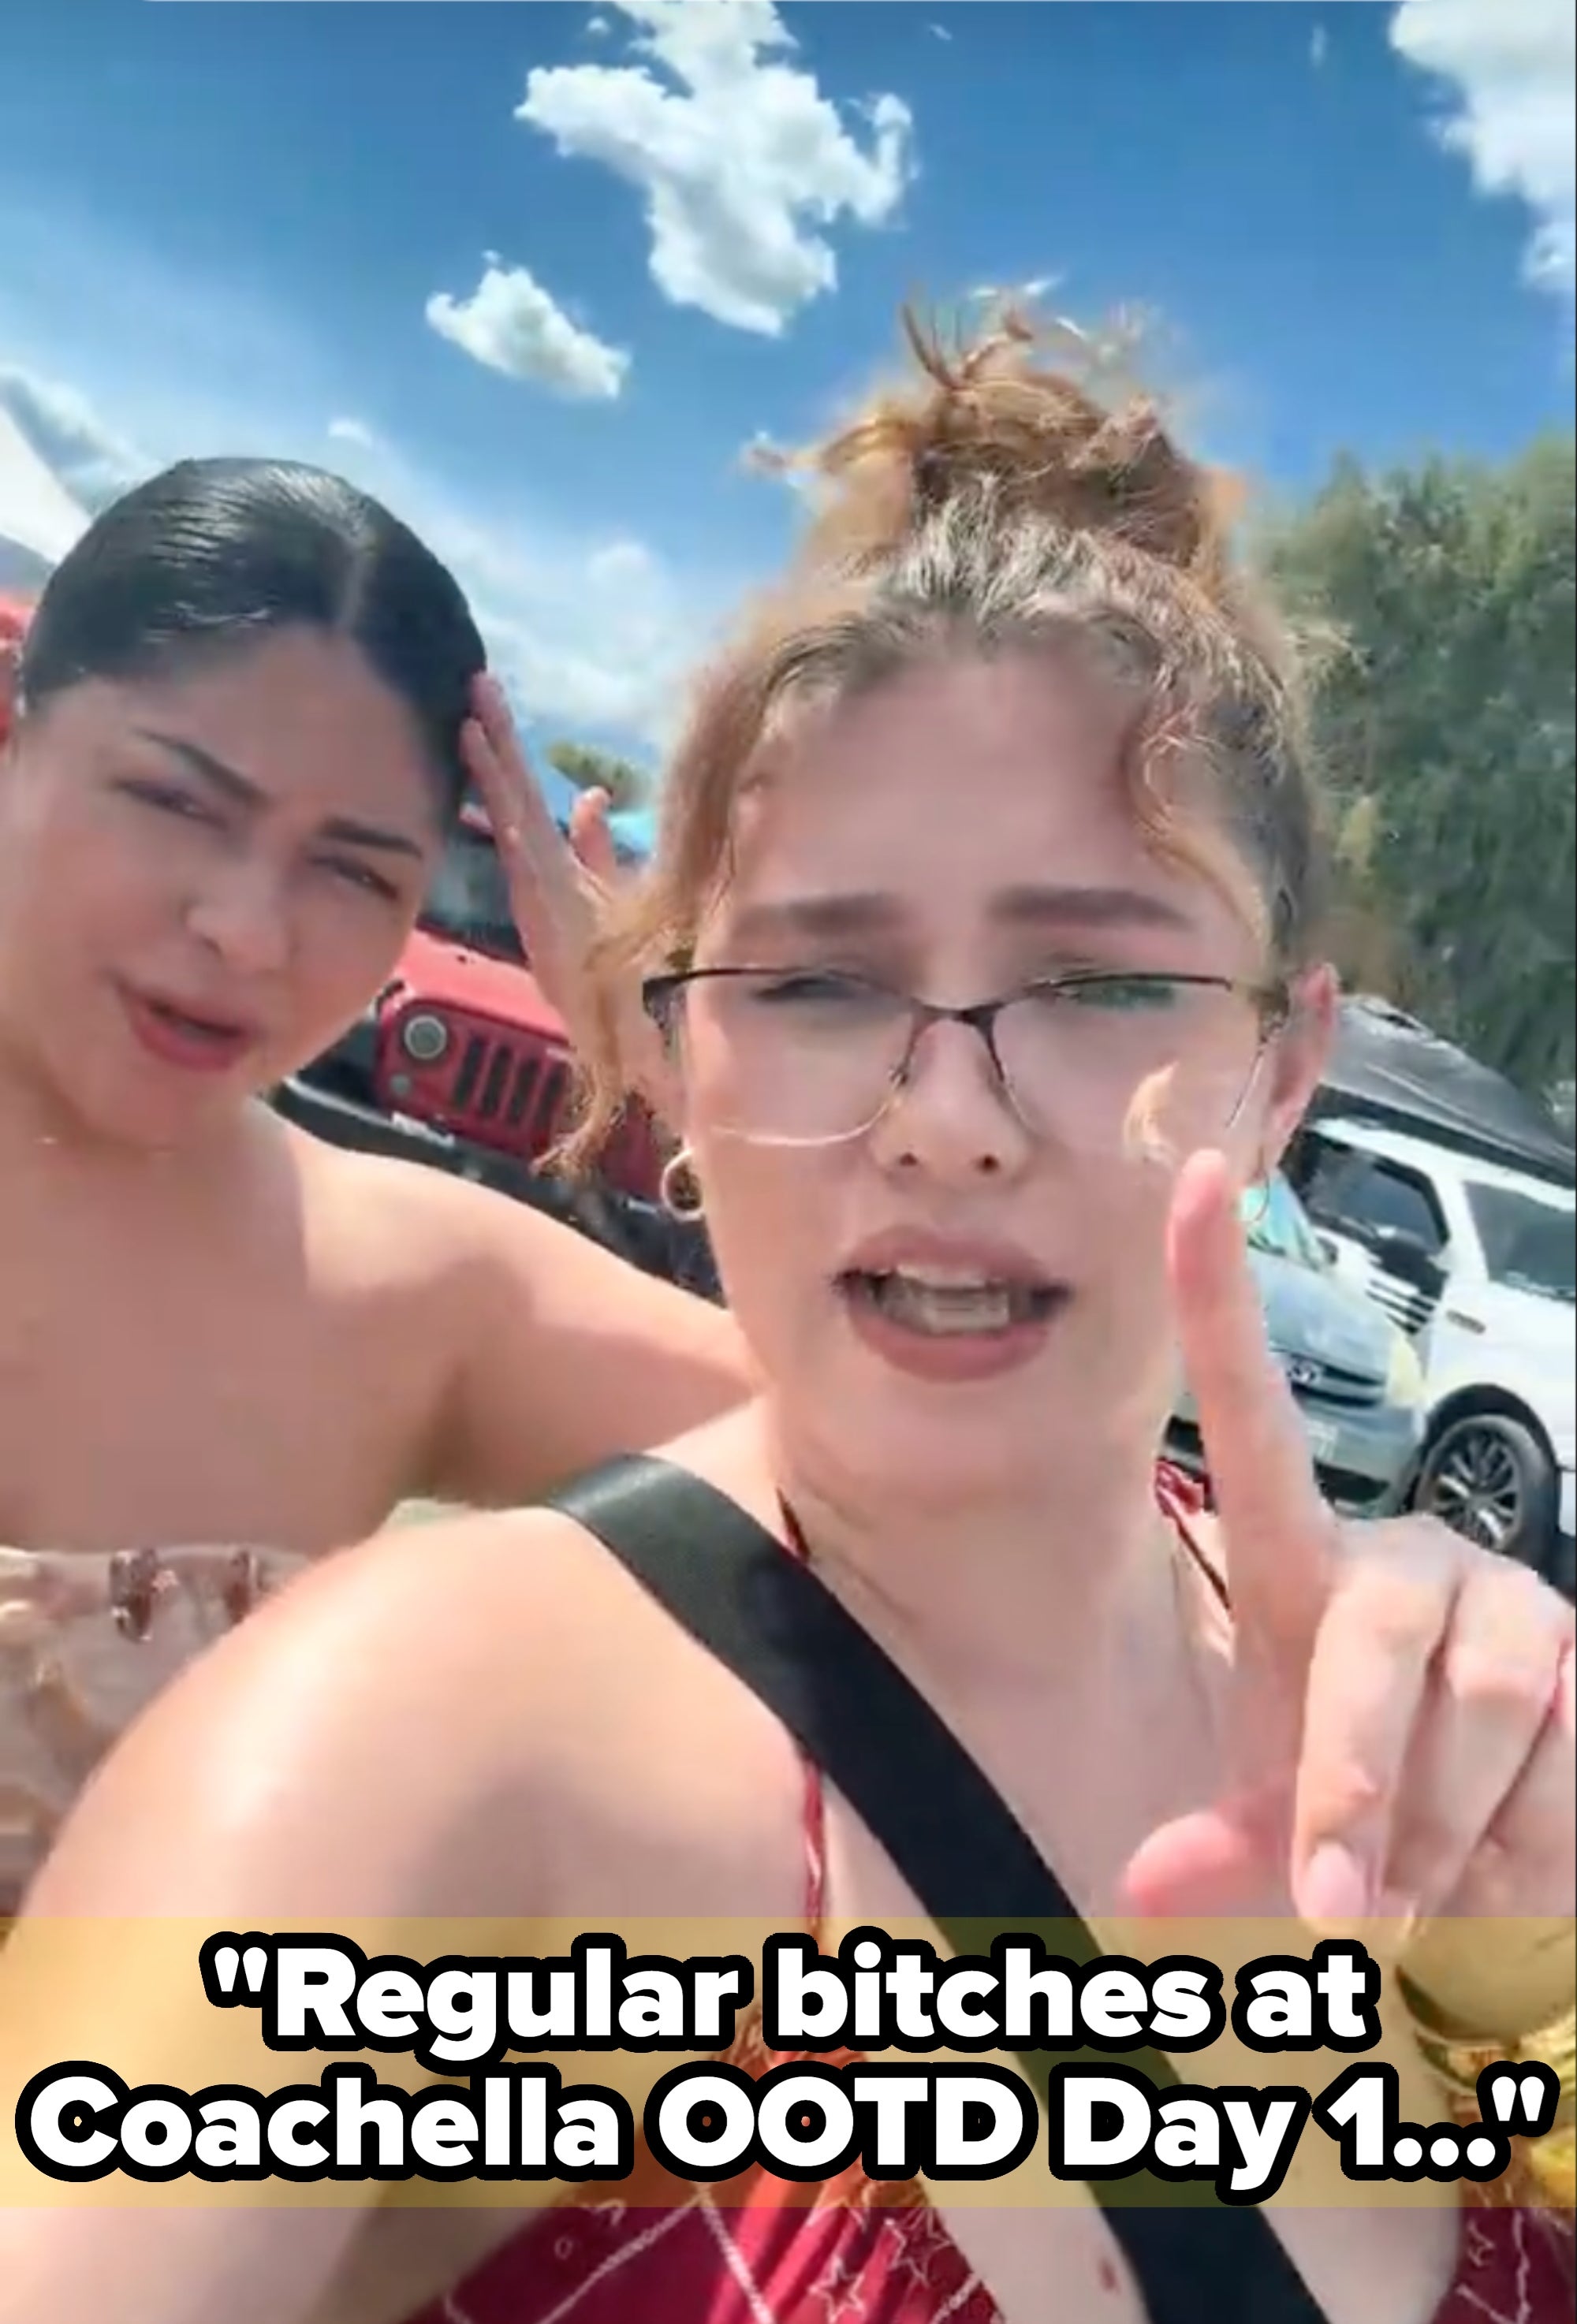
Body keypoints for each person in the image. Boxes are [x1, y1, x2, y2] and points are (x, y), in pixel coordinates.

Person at [4, 315, 1571, 2324]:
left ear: (1289, 1066)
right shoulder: (420, 1752)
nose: (945, 1121)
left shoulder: (1444, 1767)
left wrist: (1522, 1933)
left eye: (1098, 987)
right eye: (817, 985)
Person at [0, 458, 752, 1908]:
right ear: (18, 728)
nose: (246, 930)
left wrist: (685, 1079)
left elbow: (944, 1514)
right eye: (177, 799)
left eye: (352, 875)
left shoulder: (415, 1289)